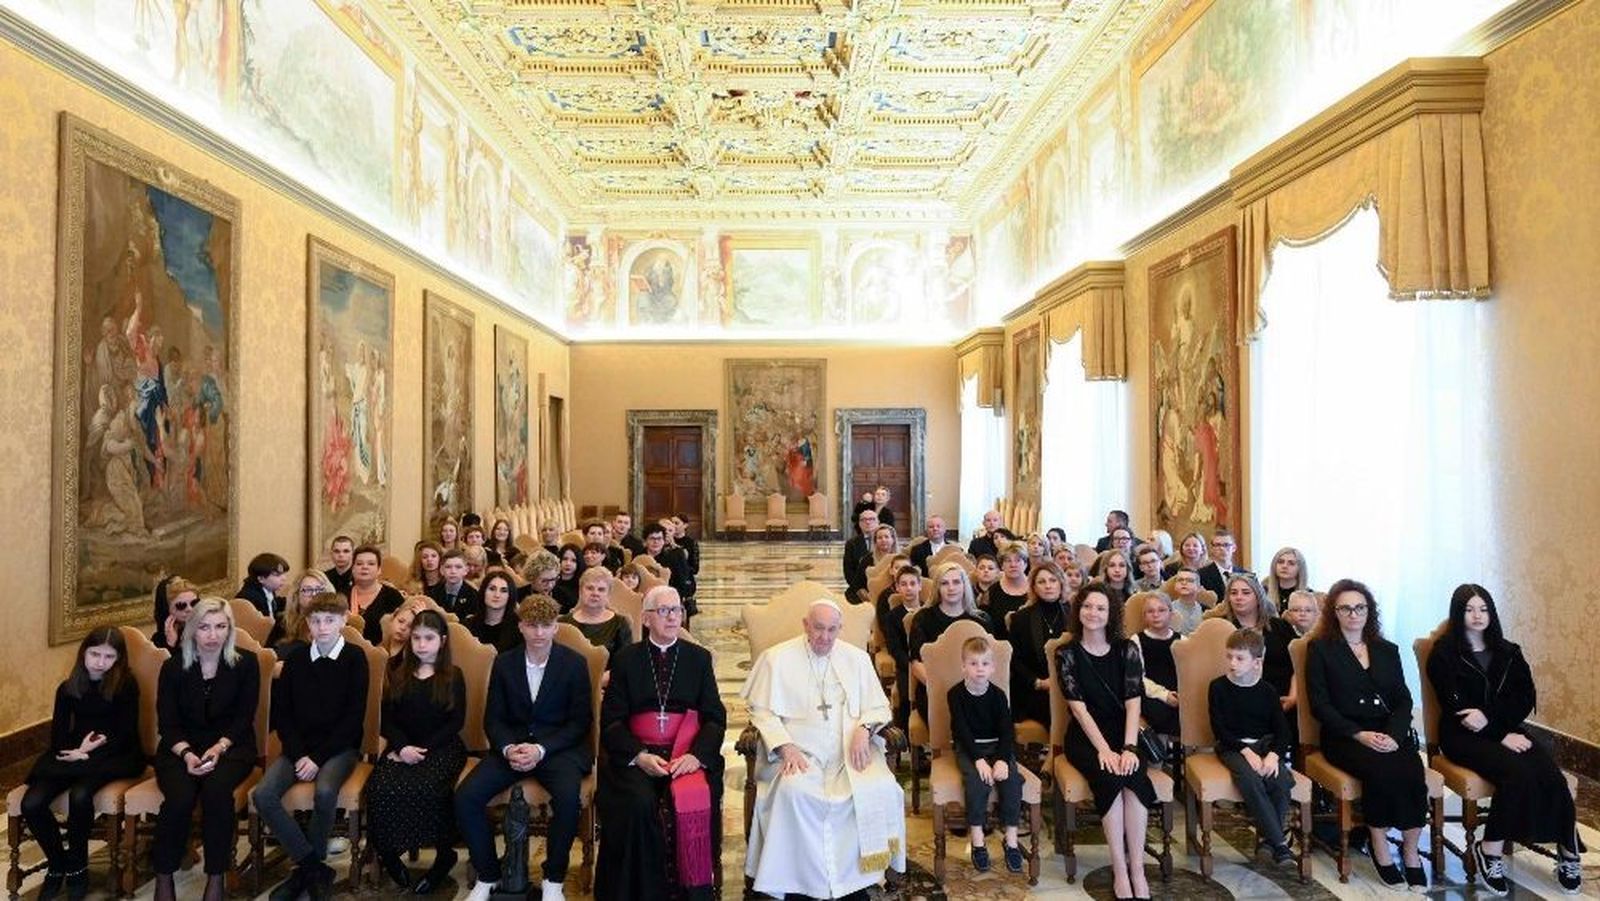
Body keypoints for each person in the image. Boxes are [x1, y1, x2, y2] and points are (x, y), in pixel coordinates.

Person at [742, 599, 906, 898]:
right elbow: (761, 711)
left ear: (840, 629)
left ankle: (856, 878)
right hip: (801, 755)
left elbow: (878, 706)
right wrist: (784, 745)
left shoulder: (856, 659)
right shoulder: (776, 659)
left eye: (832, 630)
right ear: (806, 625)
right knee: (794, 793)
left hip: (849, 755)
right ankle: (799, 880)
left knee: (882, 786)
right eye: (818, 629)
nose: (825, 637)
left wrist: (864, 729)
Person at [1426, 584, 1582, 895]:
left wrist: (1499, 727)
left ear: (1492, 612)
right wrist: (1499, 733)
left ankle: (1569, 850)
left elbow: (1523, 699)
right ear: (1458, 613)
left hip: (1505, 730)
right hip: (1461, 737)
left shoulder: (1509, 651)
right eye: (1469, 609)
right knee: (1517, 774)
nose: (1477, 615)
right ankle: (1491, 849)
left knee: (1551, 774)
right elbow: (1461, 711)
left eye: (1483, 609)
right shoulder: (1444, 653)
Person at [456, 595, 592, 901]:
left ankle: (553, 879)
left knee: (569, 802)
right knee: (466, 797)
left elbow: (579, 723)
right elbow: (493, 718)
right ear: (521, 627)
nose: (540, 633)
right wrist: (507, 748)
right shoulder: (505, 663)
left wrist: (541, 749)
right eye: (532, 626)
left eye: (546, 626)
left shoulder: (574, 664)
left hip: (557, 750)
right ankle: (488, 875)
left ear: (557, 627)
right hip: (513, 748)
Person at [595, 586, 725, 900]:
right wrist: (638, 756)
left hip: (685, 754)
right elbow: (611, 719)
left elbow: (714, 716)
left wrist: (697, 756)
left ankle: (689, 892)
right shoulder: (626, 660)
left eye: (676, 610)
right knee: (638, 803)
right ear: (646, 618)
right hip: (637, 754)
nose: (672, 617)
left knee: (693, 796)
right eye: (663, 611)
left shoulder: (698, 658)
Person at [1305, 579, 1429, 892]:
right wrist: (1359, 734)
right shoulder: (1321, 650)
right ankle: (1379, 844)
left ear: (1369, 611)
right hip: (1345, 736)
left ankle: (1411, 851)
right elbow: (1320, 705)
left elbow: (1403, 699)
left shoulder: (1387, 650)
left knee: (1413, 769)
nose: (1353, 614)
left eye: (1360, 607)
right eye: (1345, 608)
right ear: (1334, 613)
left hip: (1388, 731)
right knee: (1381, 769)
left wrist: (1394, 735)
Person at [252, 592, 367, 901]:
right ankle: (312, 867)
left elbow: (353, 718)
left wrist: (316, 758)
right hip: (299, 748)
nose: (322, 627)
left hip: (338, 748)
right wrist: (300, 753)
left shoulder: (355, 658)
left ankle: (306, 873)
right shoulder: (298, 660)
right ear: (307, 625)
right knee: (263, 795)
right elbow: (284, 715)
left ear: (343, 621)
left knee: (326, 791)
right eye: (316, 621)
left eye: (330, 620)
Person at [22, 628, 144, 900]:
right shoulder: (67, 688)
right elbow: (58, 737)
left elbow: (126, 733)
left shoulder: (126, 685)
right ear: (83, 653)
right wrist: (76, 751)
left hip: (115, 754)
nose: (100, 662)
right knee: (31, 802)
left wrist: (92, 749)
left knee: (80, 795)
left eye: (109, 656)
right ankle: (57, 863)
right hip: (75, 753)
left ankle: (78, 866)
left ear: (119, 659)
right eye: (95, 654)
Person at [151, 598, 259, 901]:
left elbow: (243, 718)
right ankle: (163, 875)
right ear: (192, 630)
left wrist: (218, 748)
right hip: (179, 749)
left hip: (231, 747)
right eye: (205, 627)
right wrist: (187, 754)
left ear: (230, 629)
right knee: (179, 798)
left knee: (216, 793)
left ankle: (215, 877)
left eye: (221, 627)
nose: (213, 635)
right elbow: (167, 723)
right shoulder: (173, 667)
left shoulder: (245, 663)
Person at [1056, 583, 1156, 901]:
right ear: (1078, 611)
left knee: (1134, 778)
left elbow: (1133, 702)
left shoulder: (1127, 649)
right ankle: (1119, 869)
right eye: (1087, 606)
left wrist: (1127, 748)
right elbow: (1078, 708)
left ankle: (1137, 868)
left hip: (1123, 731)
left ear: (1111, 613)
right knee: (1110, 776)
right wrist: (1104, 750)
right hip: (1086, 737)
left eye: (1101, 608)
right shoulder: (1066, 653)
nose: (1093, 613)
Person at [367, 609, 467, 894]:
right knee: (380, 787)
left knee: (429, 789)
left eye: (429, 638)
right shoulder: (399, 674)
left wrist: (422, 749)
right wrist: (402, 747)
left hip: (441, 747)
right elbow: (386, 720)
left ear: (442, 641)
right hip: (403, 746)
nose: (422, 644)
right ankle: (388, 852)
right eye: (417, 638)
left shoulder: (453, 676)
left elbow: (456, 721)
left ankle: (444, 856)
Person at [1208, 629, 1297, 867]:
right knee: (1250, 779)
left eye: (1239, 658)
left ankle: (1267, 843)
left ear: (1257, 662)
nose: (1232, 663)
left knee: (1279, 781)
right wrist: (1246, 753)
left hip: (1264, 747)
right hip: (1233, 748)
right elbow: (1220, 731)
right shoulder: (1218, 687)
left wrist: (1273, 756)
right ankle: (1280, 844)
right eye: (1229, 657)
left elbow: (1282, 731)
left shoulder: (1267, 691)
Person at [949, 636, 1025, 874]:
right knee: (976, 782)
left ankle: (1011, 839)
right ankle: (978, 838)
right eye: (973, 663)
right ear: (963, 666)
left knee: (1011, 781)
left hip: (997, 747)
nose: (979, 669)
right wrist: (979, 760)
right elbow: (961, 731)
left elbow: (1006, 731)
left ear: (992, 667)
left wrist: (1002, 759)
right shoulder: (955, 695)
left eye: (984, 664)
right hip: (970, 748)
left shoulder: (998, 696)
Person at [909, 562, 993, 722]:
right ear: (937, 588)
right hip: (935, 690)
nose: (951, 588)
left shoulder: (982, 620)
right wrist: (940, 689)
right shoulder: (923, 618)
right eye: (944, 583)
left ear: (964, 585)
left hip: (977, 687)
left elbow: (990, 661)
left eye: (956, 582)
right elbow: (916, 663)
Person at [1008, 562, 1071, 727]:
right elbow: (1015, 660)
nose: (1048, 586)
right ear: (1034, 587)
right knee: (1057, 709)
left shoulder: (1075, 615)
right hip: (1034, 689)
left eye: (1053, 580)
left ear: (1061, 584)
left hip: (1071, 685)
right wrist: (1039, 682)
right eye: (1042, 582)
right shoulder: (1021, 618)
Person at [1263, 589, 1319, 756]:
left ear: (1317, 614)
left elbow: (1300, 670)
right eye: (1296, 610)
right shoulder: (1281, 631)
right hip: (1287, 684)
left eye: (1308, 610)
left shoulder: (1319, 636)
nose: (1302, 614)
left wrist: (1295, 696)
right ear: (1287, 613)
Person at [875, 565, 924, 730]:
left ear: (920, 585)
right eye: (903, 584)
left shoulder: (928, 611)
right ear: (897, 588)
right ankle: (905, 736)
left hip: (929, 664)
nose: (908, 588)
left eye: (912, 583)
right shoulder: (892, 617)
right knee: (905, 694)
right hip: (907, 665)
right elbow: (894, 648)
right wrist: (911, 665)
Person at [559, 568, 632, 665]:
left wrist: (598, 679)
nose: (595, 593)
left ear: (608, 594)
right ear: (580, 591)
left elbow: (625, 664)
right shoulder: (563, 623)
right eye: (590, 588)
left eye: (601, 589)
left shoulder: (620, 623)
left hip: (608, 678)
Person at [1135, 592, 1181, 741]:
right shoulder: (1137, 640)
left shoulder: (1181, 640)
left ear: (1171, 613)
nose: (1156, 615)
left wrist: (1181, 695)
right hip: (1150, 693)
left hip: (1178, 694)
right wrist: (1164, 695)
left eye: (1161, 610)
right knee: (1158, 712)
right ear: (1144, 616)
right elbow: (1137, 677)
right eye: (1150, 611)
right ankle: (1157, 760)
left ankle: (1189, 759)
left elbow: (1188, 675)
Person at [265, 569, 336, 660]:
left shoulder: (335, 622)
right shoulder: (284, 620)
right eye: (307, 590)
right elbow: (268, 654)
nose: (314, 594)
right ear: (296, 595)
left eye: (319, 589)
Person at [348, 545, 405, 645]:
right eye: (359, 564)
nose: (364, 567)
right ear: (352, 569)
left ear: (379, 570)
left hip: (383, 655)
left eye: (371, 564)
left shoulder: (393, 596)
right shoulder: (342, 596)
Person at [465, 569, 523, 652]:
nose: (497, 595)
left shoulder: (520, 629)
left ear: (510, 595)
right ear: (483, 591)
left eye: (503, 591)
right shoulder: (467, 626)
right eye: (492, 589)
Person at [983, 547, 1030, 641]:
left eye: (1018, 560)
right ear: (1002, 566)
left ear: (1025, 564)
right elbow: (985, 624)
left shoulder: (1035, 589)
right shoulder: (992, 591)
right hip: (998, 646)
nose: (1013, 565)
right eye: (1008, 561)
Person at [1198, 529, 1251, 598]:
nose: (1222, 548)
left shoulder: (1245, 575)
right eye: (1217, 545)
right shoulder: (1201, 575)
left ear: (1234, 548)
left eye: (1226, 545)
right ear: (1211, 548)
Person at [1208, 573, 1273, 628]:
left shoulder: (1276, 625)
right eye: (1234, 593)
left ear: (1258, 597)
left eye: (1246, 593)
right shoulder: (1218, 626)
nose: (1239, 597)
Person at [236, 552, 289, 618]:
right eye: (278, 575)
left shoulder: (267, 590)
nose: (284, 578)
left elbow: (275, 603)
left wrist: (294, 601)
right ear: (261, 578)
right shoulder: (249, 599)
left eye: (283, 574)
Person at [151, 577, 198, 652]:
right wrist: (171, 644)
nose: (190, 609)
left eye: (194, 603)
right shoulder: (158, 642)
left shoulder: (209, 627)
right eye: (181, 605)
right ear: (167, 609)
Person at [841, 507, 878, 602]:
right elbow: (848, 571)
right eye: (864, 520)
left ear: (878, 522)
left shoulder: (885, 540)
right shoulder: (851, 543)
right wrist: (859, 589)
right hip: (860, 587)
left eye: (871, 519)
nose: (868, 522)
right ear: (860, 524)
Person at [1261, 547, 1310, 614]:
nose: (1284, 566)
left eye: (1291, 563)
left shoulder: (1309, 596)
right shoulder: (1262, 592)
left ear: (1300, 569)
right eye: (1280, 562)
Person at [1167, 567, 1208, 636]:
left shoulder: (1206, 611)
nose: (1184, 583)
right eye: (1180, 580)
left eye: (1190, 580)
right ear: (1175, 586)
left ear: (1199, 587)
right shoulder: (1167, 610)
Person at [550, 544, 583, 613]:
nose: (568, 564)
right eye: (565, 559)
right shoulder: (550, 581)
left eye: (573, 560)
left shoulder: (582, 583)